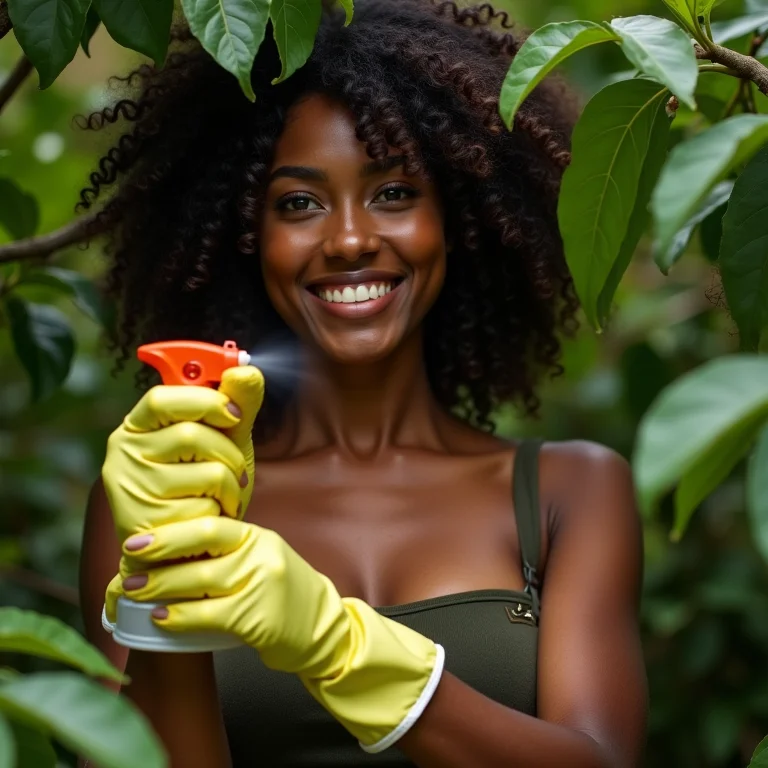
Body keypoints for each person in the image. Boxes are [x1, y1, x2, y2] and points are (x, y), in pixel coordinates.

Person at [78, 1, 648, 766]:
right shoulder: (158, 498)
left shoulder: (568, 493)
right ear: (247, 235)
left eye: (394, 193)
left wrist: (338, 647)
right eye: (300, 203)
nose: (349, 240)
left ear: (460, 216)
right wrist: (170, 573)